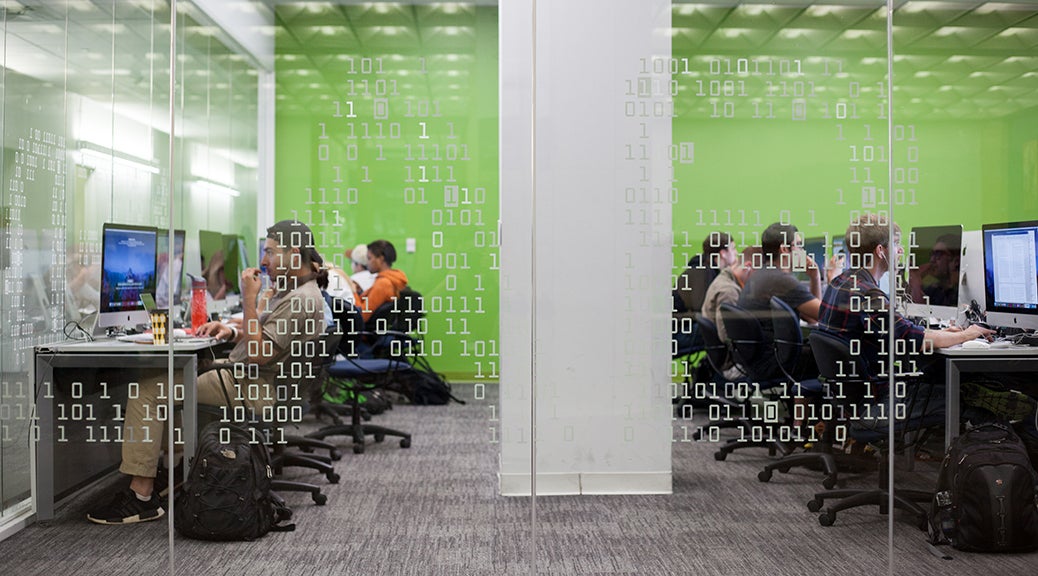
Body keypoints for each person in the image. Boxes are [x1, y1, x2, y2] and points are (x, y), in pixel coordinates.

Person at [86, 219, 327, 525]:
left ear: (294, 253)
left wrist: (250, 298)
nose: (264, 261)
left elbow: (259, 352)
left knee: (147, 391)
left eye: (269, 252)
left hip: (254, 387)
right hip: (258, 382)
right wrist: (229, 330)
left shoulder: (301, 299)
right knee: (177, 379)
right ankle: (165, 474)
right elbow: (267, 340)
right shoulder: (302, 291)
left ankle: (141, 495)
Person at [819, 214, 992, 381]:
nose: (900, 249)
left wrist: (939, 333)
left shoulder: (838, 282)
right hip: (880, 394)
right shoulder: (868, 295)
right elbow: (915, 340)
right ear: (880, 251)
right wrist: (969, 334)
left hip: (848, 395)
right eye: (895, 243)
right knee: (960, 392)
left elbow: (906, 331)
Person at [737, 222, 841, 379]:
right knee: (834, 354)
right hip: (772, 362)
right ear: (784, 249)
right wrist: (834, 279)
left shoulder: (765, 274)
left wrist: (814, 276)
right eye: (798, 246)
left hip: (758, 361)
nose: (802, 251)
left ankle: (802, 400)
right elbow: (827, 316)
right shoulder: (780, 280)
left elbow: (812, 318)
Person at [701, 246, 761, 379]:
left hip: (724, 360)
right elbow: (728, 336)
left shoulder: (725, 278)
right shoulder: (729, 292)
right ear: (749, 267)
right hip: (733, 366)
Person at [673, 231, 737, 352]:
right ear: (723, 253)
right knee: (720, 330)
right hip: (675, 334)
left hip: (682, 328)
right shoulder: (702, 272)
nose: (736, 253)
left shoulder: (708, 270)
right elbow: (702, 310)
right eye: (733, 249)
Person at [357, 239, 408, 322]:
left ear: (381, 259)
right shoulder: (393, 279)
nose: (367, 263)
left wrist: (353, 292)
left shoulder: (383, 284)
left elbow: (362, 316)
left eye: (369, 258)